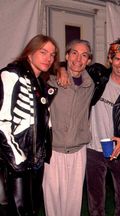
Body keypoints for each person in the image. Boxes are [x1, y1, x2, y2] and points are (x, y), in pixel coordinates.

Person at [0, 34, 59, 215]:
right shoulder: (11, 74)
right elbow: (2, 122)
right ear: (29, 53)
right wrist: (17, 159)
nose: (48, 58)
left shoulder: (40, 82)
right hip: (16, 161)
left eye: (52, 54)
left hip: (36, 160)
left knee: (33, 209)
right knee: (19, 211)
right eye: (43, 52)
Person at [85, 38, 120, 216]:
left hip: (118, 149)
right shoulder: (97, 76)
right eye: (117, 59)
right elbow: (74, 68)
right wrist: (61, 69)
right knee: (95, 201)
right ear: (110, 58)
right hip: (93, 148)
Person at [42, 39, 94, 216]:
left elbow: (117, 70)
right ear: (66, 56)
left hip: (78, 150)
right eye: (74, 53)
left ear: (89, 60)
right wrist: (60, 69)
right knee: (52, 201)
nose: (78, 59)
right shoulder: (51, 81)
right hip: (53, 151)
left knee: (73, 203)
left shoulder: (91, 84)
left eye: (84, 55)